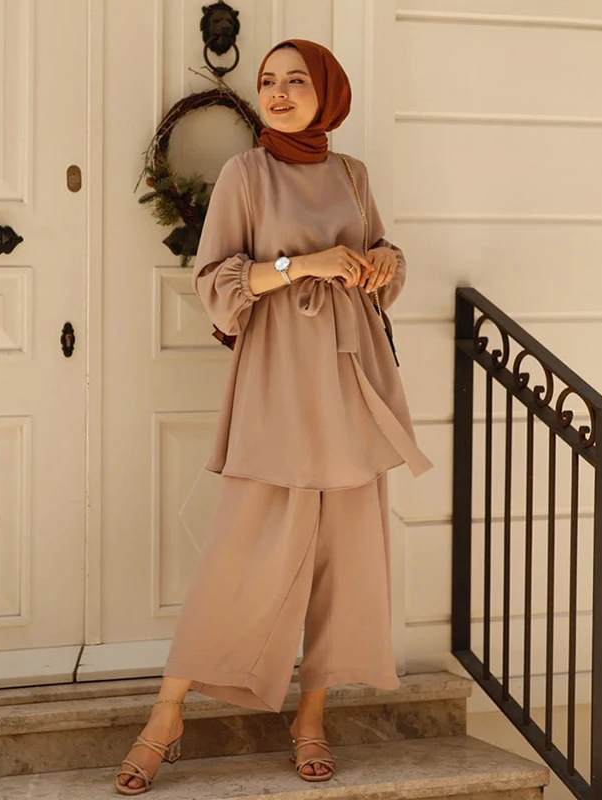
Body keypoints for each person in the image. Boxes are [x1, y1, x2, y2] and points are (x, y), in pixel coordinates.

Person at [115, 38, 433, 795]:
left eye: (297, 81)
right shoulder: (245, 174)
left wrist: (387, 261)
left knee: (344, 560)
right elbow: (215, 280)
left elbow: (378, 259)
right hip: (280, 379)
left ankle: (311, 716)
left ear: (328, 93)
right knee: (240, 554)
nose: (280, 92)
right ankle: (167, 714)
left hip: (353, 379)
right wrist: (302, 265)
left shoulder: (353, 175)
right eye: (268, 81)